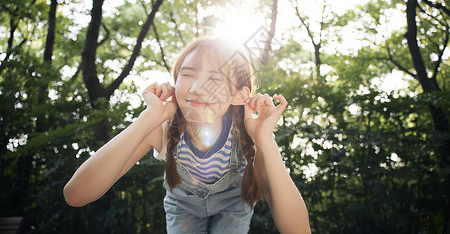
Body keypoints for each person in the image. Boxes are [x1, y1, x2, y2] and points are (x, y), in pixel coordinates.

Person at [63, 36, 311, 234]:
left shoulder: (249, 134)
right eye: (188, 74)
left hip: (233, 208)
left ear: (238, 95)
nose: (194, 88)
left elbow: (298, 231)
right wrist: (150, 117)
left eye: (213, 79)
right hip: (182, 209)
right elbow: (76, 195)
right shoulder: (163, 126)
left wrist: (265, 140)